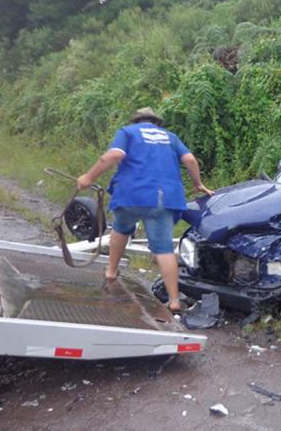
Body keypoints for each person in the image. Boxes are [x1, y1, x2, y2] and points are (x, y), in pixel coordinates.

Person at [77, 107, 212, 313]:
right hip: (165, 197)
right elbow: (190, 160)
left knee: (121, 228)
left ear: (136, 121)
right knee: (164, 249)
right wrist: (198, 184)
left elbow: (114, 155)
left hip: (133, 193)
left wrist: (88, 177)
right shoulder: (170, 137)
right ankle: (174, 301)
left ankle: (111, 272)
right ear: (157, 123)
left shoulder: (128, 132)